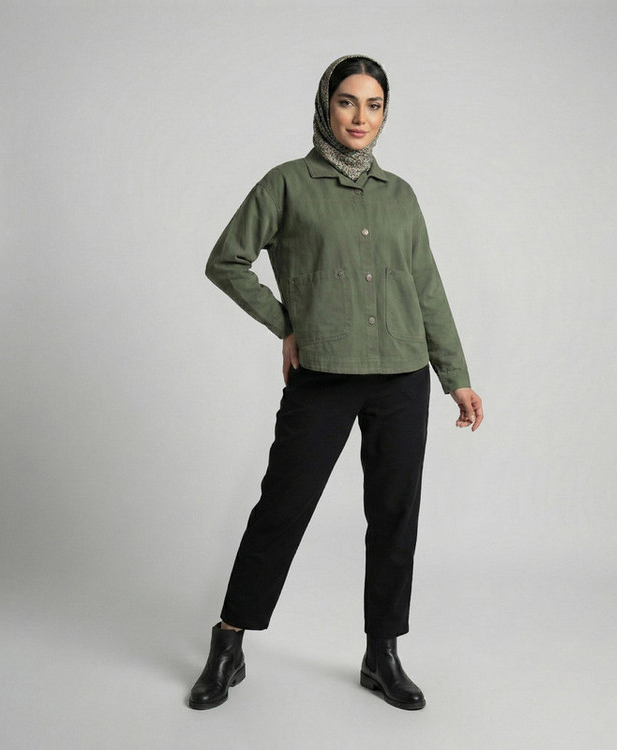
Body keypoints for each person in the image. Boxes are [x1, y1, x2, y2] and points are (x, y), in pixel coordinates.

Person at [189, 54, 483, 712]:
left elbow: (427, 288)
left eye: (374, 105)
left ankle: (383, 653)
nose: (360, 116)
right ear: (326, 105)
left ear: (384, 114)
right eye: (348, 101)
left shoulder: (400, 195)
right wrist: (286, 324)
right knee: (282, 508)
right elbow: (227, 260)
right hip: (323, 374)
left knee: (395, 517)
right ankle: (229, 641)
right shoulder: (288, 184)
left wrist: (455, 376)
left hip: (402, 376)